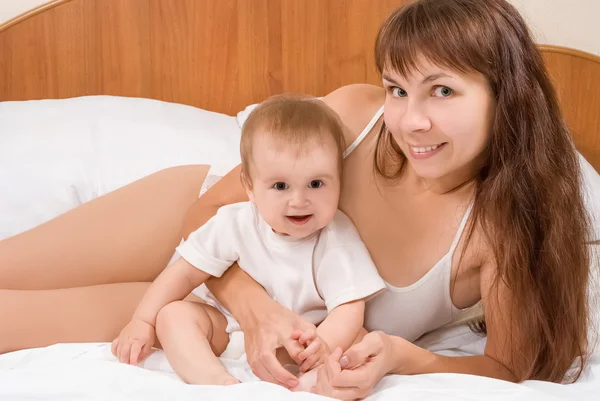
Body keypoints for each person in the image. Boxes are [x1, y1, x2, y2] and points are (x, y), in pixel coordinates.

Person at [0, 0, 598, 399]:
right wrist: (259, 312)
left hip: (211, 319)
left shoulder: (502, 230)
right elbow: (203, 218)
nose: (411, 121)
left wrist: (400, 356)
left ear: (506, 95)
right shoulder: (356, 115)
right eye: (398, 88)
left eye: (442, 90)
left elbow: (505, 371)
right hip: (207, 235)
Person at [110, 95, 385, 387]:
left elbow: (349, 307)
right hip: (225, 328)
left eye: (316, 184)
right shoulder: (235, 222)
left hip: (296, 346)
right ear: (250, 188)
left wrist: (322, 345)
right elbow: (183, 272)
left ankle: (304, 386)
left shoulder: (337, 237)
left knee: (356, 340)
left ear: (338, 181)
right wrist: (142, 320)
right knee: (172, 315)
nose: (299, 200)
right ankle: (217, 383)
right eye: (280, 186)